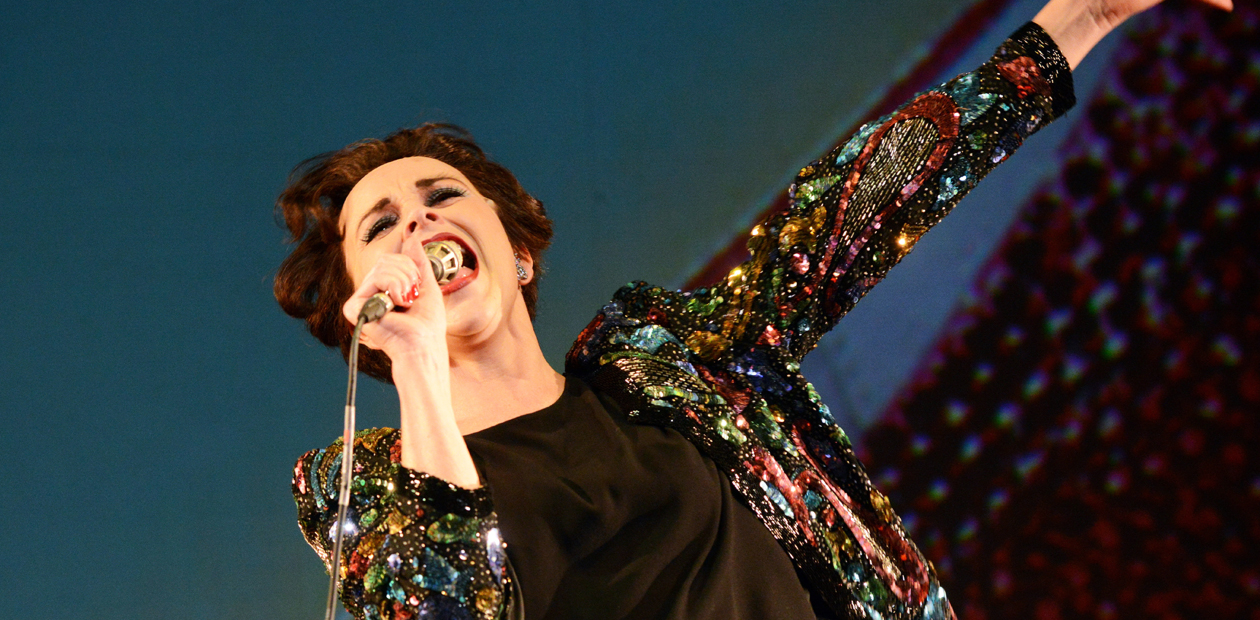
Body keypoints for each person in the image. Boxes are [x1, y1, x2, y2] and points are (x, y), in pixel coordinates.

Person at [275, 0, 1232, 618]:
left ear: (516, 249)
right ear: (363, 301)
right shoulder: (366, 491)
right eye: (382, 225)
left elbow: (849, 212)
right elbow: (441, 606)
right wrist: (422, 377)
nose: (418, 226)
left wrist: (1078, 19)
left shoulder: (672, 362)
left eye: (441, 197)